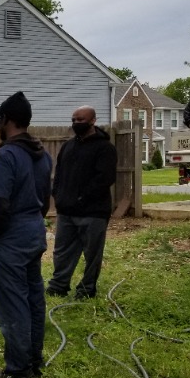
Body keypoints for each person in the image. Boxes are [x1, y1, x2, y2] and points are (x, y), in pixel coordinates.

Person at [0, 92, 53, 378]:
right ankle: (35, 360)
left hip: (10, 237)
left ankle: (18, 370)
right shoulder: (42, 154)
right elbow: (46, 202)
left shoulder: (5, 156)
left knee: (13, 304)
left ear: (6, 121)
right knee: (33, 298)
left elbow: (0, 206)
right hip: (34, 231)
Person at [46, 106, 117, 300]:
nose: (76, 123)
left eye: (81, 120)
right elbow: (59, 174)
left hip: (93, 212)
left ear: (93, 120)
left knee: (92, 255)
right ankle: (58, 286)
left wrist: (82, 197)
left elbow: (105, 179)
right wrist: (58, 195)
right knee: (61, 253)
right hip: (66, 211)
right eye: (74, 120)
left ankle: (86, 290)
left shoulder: (105, 148)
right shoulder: (68, 146)